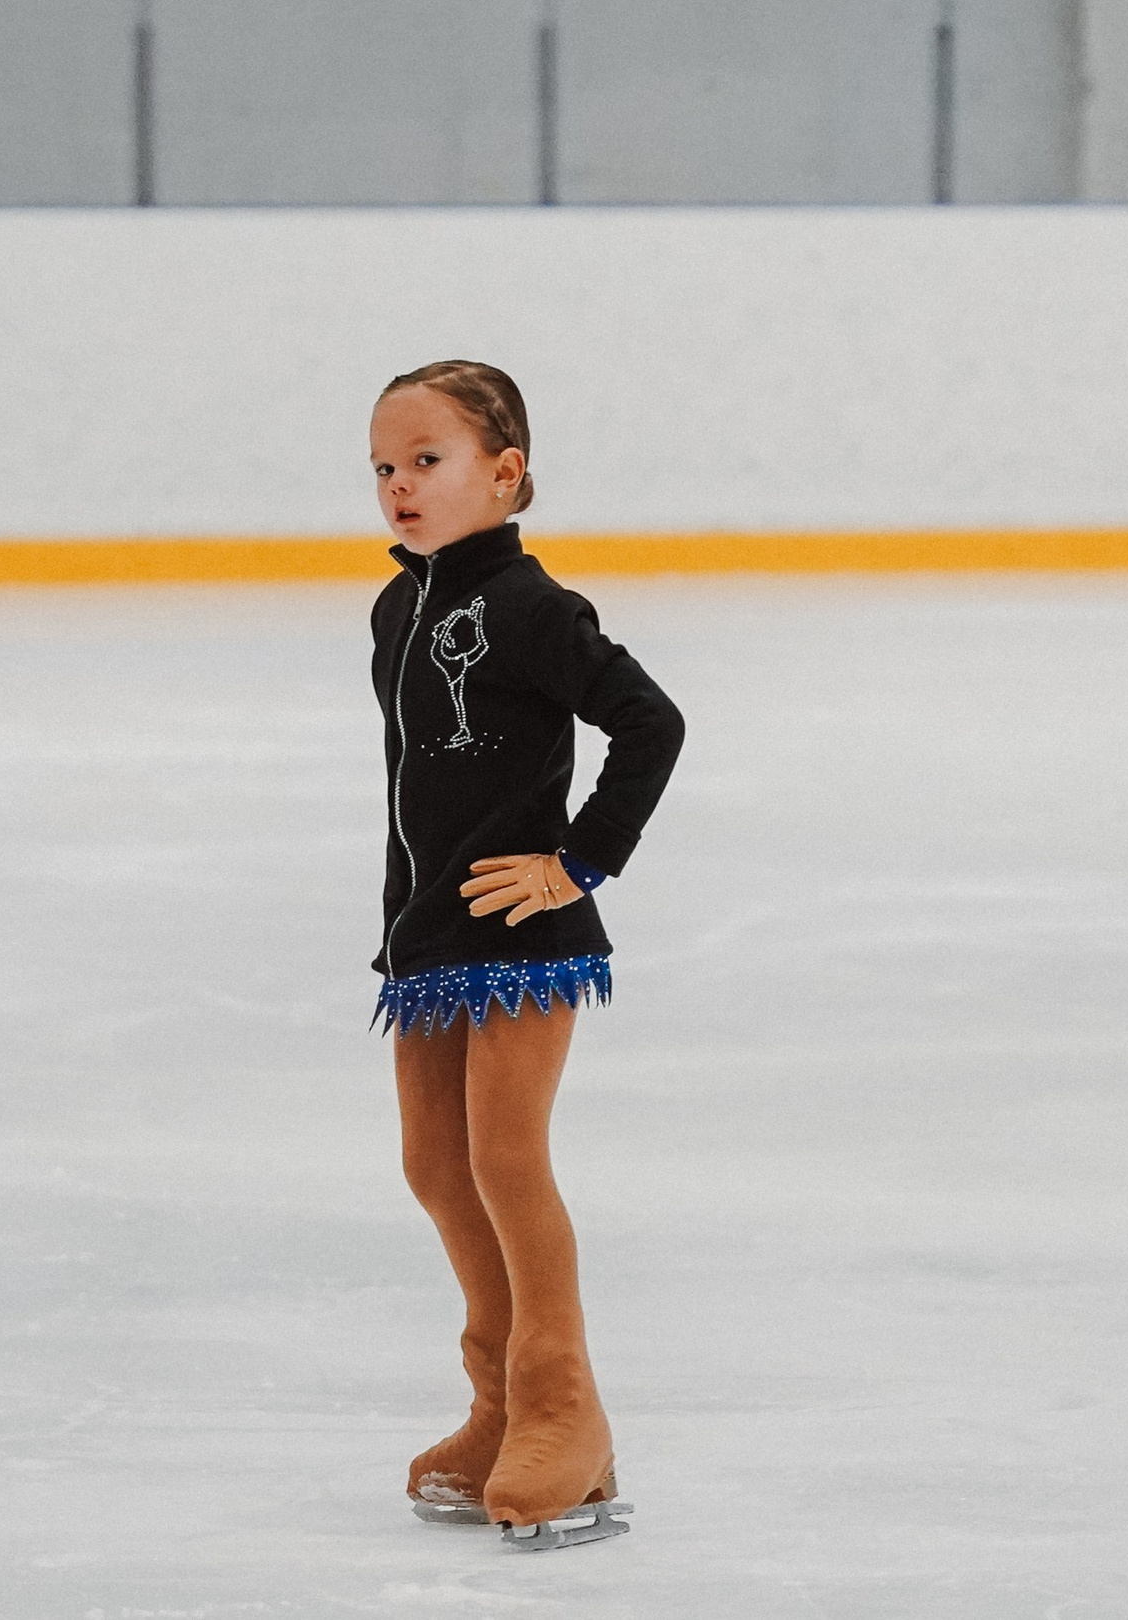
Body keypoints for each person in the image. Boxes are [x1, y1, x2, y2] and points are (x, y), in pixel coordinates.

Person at [368, 360, 684, 1549]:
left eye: (427, 462)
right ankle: (497, 1402)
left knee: (505, 1162)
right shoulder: (398, 608)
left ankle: (566, 1412)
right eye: (384, 469)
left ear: (506, 475)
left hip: (519, 937)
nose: (400, 486)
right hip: (425, 938)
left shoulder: (535, 607)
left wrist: (579, 862)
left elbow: (651, 721)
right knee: (434, 1167)